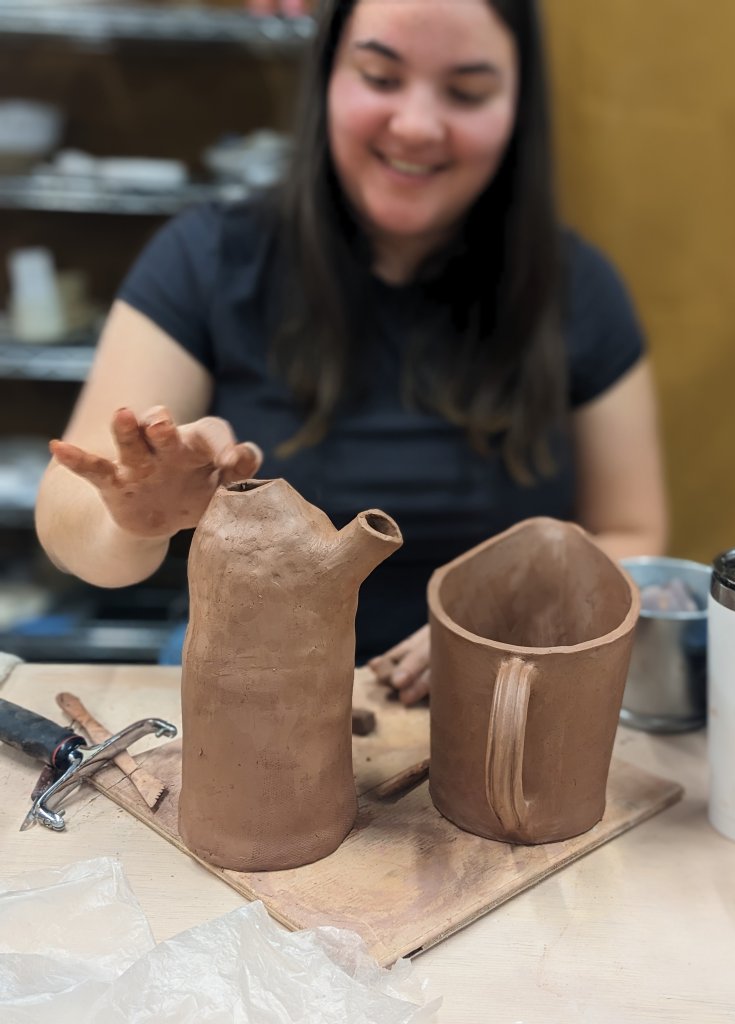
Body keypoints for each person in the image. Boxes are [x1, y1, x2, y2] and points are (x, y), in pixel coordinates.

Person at [35, 0, 667, 705]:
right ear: (327, 76)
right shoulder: (207, 259)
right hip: (246, 703)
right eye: (379, 75)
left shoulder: (578, 288)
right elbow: (69, 511)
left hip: (497, 705)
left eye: (467, 92)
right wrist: (130, 518)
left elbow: (635, 533)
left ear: (520, 107)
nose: (418, 125)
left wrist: (506, 608)